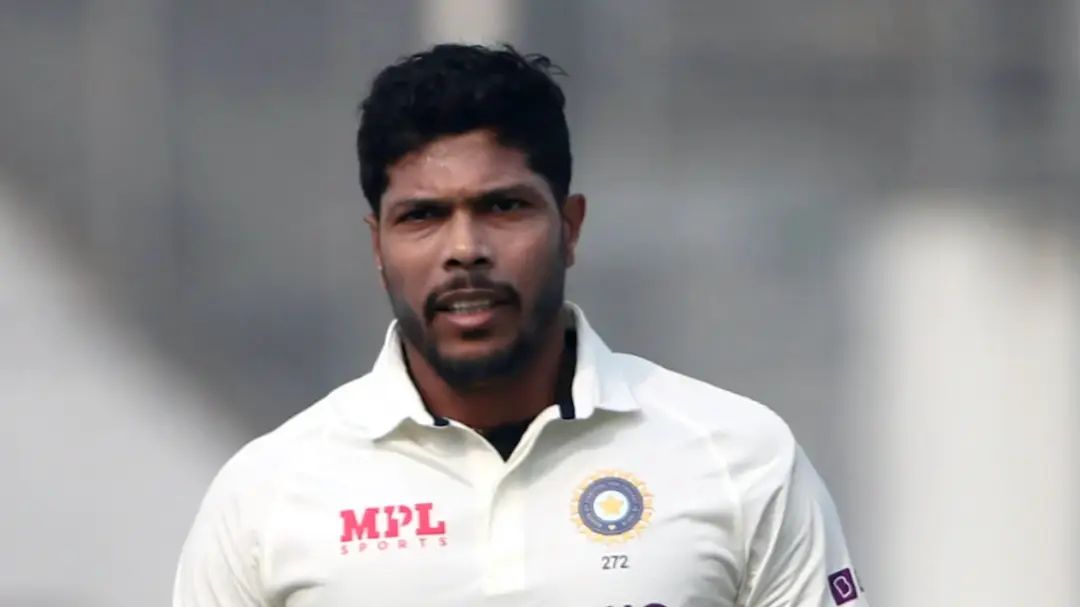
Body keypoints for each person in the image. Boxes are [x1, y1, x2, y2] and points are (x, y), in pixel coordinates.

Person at [173, 43, 869, 607]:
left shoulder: (739, 457)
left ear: (570, 227)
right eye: (422, 216)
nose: (465, 248)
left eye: (504, 207)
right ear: (377, 247)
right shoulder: (267, 492)